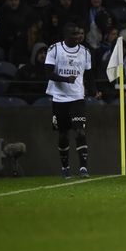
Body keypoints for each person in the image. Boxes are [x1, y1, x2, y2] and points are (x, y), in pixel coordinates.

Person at [45, 22, 100, 179]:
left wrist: (94, 90)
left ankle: (83, 168)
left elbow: (89, 75)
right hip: (59, 98)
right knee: (63, 134)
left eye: (80, 34)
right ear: (66, 35)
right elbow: (48, 73)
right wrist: (65, 79)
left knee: (80, 131)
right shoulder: (54, 49)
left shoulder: (85, 52)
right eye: (74, 34)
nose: (78, 37)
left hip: (77, 97)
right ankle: (65, 167)